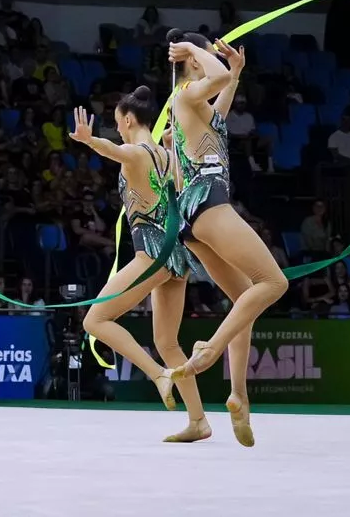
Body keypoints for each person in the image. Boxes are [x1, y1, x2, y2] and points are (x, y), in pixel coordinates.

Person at [161, 31, 288, 445]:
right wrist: (199, 52)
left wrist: (234, 74)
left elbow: (219, 105)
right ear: (194, 63)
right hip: (209, 202)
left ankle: (238, 396)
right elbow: (211, 79)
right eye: (203, 58)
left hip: (194, 216)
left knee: (244, 301)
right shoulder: (185, 94)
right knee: (274, 283)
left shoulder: (194, 108)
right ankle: (210, 350)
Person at [69, 92, 212, 443]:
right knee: (167, 341)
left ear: (129, 119)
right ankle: (198, 421)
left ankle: (157, 375)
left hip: (152, 254)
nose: (117, 128)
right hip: (175, 256)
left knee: (94, 320)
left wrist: (91, 142)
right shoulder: (167, 154)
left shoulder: (135, 153)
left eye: (117, 121)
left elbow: (115, 151)